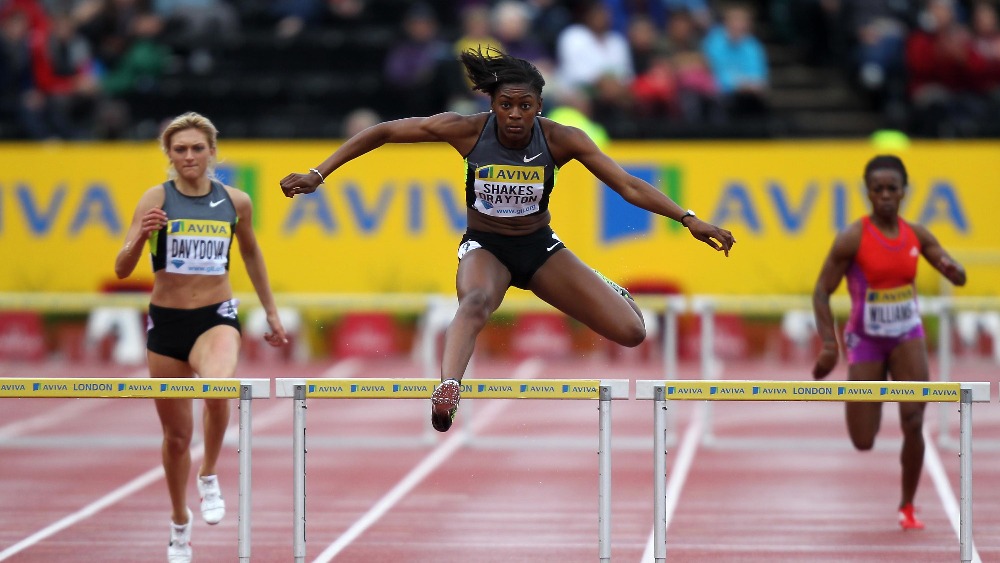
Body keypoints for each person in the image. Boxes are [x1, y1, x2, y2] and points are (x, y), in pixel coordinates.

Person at [279, 47, 735, 433]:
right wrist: (319, 173)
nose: (515, 116)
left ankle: (604, 284)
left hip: (540, 250)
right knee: (475, 302)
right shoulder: (466, 130)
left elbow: (628, 185)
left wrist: (688, 218)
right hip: (486, 248)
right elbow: (382, 132)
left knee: (632, 332)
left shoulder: (562, 139)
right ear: (493, 104)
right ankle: (448, 388)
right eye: (506, 105)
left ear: (540, 106)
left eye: (525, 106)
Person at [114, 111, 287, 563]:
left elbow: (252, 255)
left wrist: (270, 312)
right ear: (169, 156)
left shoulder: (236, 202)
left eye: (196, 148)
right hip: (167, 323)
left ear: (212, 152)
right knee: (176, 437)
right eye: (180, 149)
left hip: (216, 316)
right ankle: (179, 522)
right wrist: (141, 237)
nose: (189, 156)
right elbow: (122, 267)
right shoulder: (156, 198)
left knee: (217, 388)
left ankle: (208, 472)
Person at [811, 154, 966, 531]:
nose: (884, 195)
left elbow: (954, 272)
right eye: (877, 189)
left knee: (914, 420)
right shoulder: (853, 237)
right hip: (865, 341)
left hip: (906, 336)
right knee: (863, 440)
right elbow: (821, 291)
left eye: (891, 189)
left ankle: (907, 505)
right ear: (867, 192)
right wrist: (830, 344)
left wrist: (952, 269)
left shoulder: (917, 235)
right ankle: (874, 398)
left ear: (903, 192)